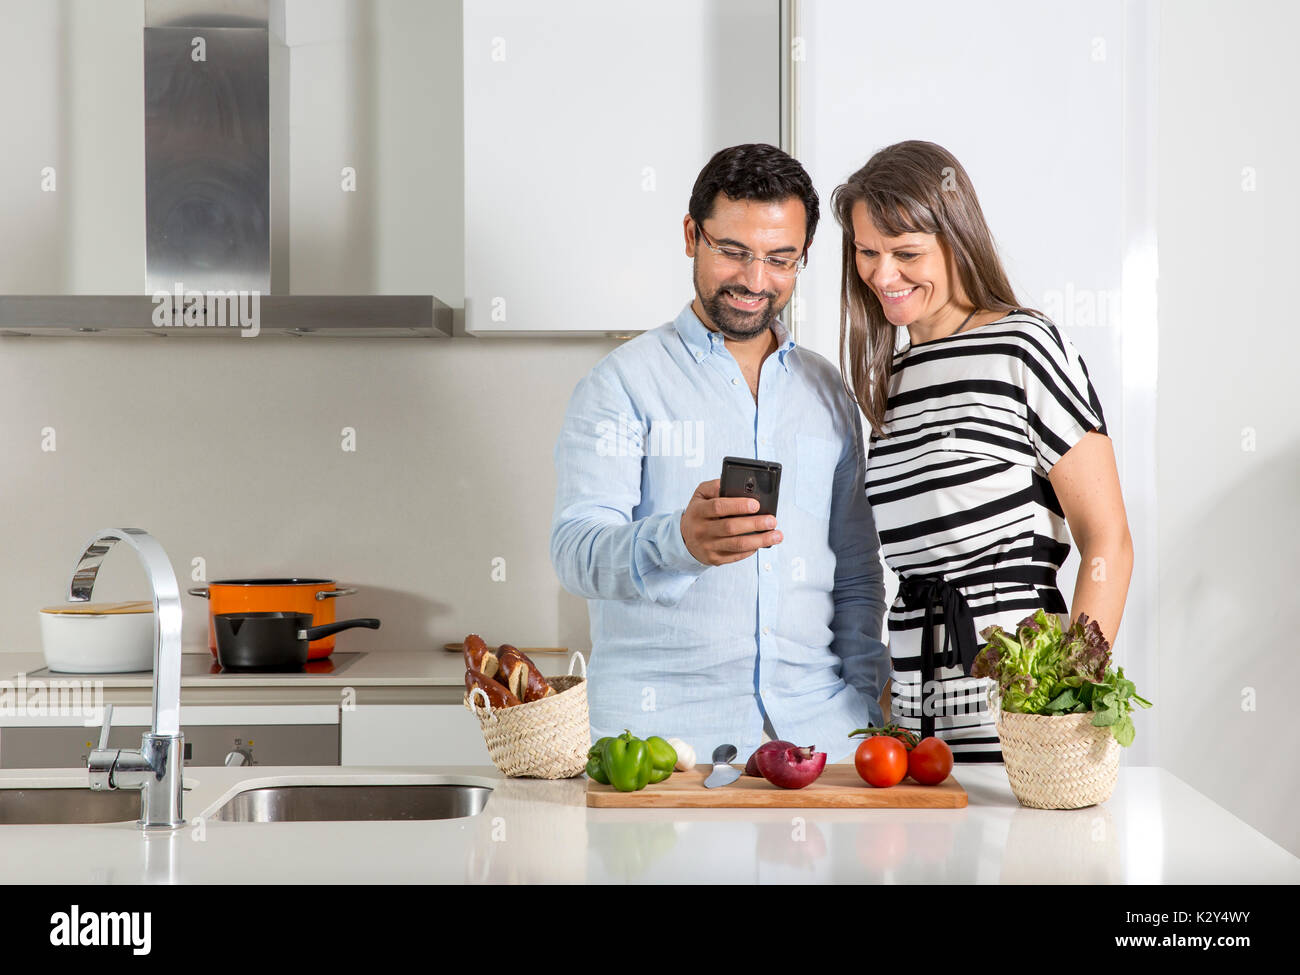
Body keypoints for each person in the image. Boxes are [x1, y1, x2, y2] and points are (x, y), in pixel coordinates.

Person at [550, 143, 889, 765]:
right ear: (691, 235)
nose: (755, 281)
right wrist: (675, 542)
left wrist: (866, 702)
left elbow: (857, 571)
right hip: (661, 747)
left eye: (780, 259)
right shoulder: (620, 384)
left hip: (825, 737)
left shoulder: (829, 392)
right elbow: (574, 552)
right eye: (733, 252)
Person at [832, 140, 1134, 762]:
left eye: (906, 253)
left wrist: (1068, 697)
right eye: (867, 252)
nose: (883, 275)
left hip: (1018, 721)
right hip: (915, 735)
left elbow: (1108, 541)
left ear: (955, 239)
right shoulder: (889, 379)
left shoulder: (1024, 347)